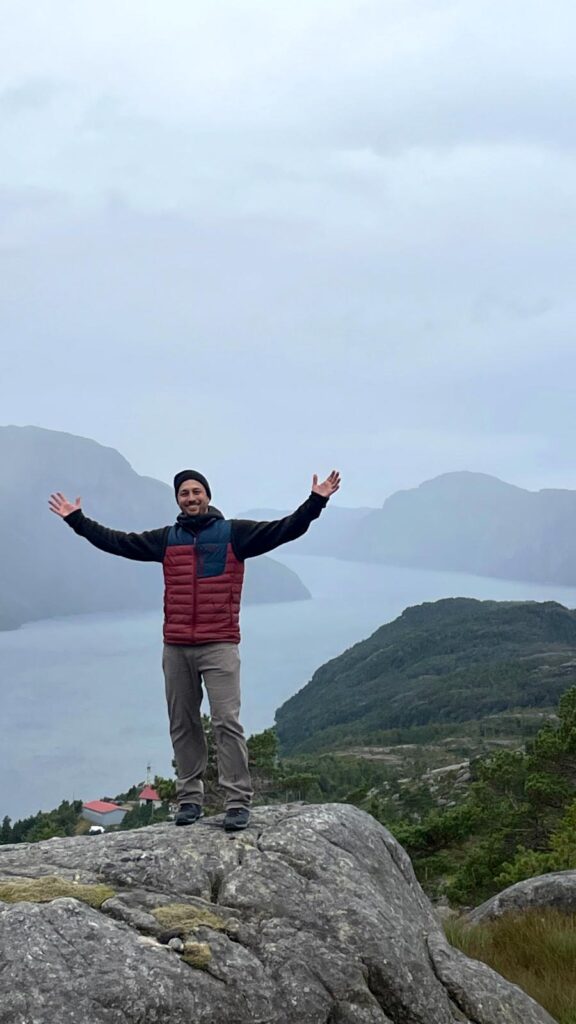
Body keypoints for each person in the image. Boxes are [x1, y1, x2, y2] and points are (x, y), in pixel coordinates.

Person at [49, 469, 340, 832]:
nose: (190, 497)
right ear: (177, 500)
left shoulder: (235, 534)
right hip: (176, 648)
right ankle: (190, 799)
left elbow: (286, 528)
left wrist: (316, 501)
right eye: (184, 493)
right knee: (183, 723)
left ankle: (237, 802)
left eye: (196, 491)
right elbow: (117, 542)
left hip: (219, 644)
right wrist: (77, 520)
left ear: (208, 495)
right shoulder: (166, 540)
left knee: (226, 723)